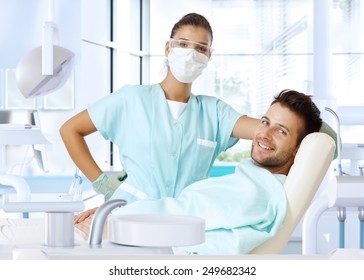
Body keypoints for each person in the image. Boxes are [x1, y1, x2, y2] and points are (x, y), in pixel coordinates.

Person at [60, 12, 260, 222]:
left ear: (209, 56)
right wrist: (106, 186)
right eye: (183, 44)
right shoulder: (131, 99)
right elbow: (70, 130)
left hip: (188, 224)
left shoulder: (215, 112)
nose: (191, 53)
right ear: (168, 48)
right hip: (130, 217)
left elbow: (268, 132)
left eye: (201, 48)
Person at [73, 89, 323, 254]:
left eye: (281, 131)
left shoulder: (256, 193)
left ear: (298, 150)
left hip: (129, 235)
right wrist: (119, 210)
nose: (265, 134)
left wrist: (120, 223)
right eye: (265, 122)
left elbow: (185, 218)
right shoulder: (249, 182)